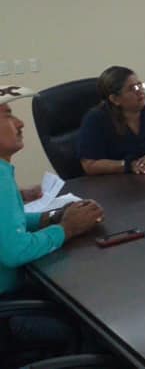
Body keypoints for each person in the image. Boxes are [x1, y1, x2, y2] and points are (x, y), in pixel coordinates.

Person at [0, 85, 105, 364]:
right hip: (8, 310)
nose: (20, 123)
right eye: (7, 115)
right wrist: (67, 229)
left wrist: (50, 217)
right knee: (94, 318)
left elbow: (8, 226)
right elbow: (14, 251)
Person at [76, 66, 145, 175]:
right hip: (118, 181)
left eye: (140, 85)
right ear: (115, 99)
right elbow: (90, 165)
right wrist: (129, 165)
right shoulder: (96, 119)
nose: (140, 91)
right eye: (132, 89)